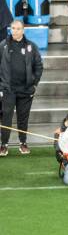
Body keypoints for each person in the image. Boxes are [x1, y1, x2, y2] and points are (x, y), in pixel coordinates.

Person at [0, 20, 43, 156]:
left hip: (26, 89)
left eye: (18, 28)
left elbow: (39, 66)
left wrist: (34, 84)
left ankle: (23, 143)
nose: (15, 31)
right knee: (6, 117)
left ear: (23, 30)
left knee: (23, 117)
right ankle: (3, 145)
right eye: (13, 28)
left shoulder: (31, 46)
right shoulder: (3, 45)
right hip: (8, 89)